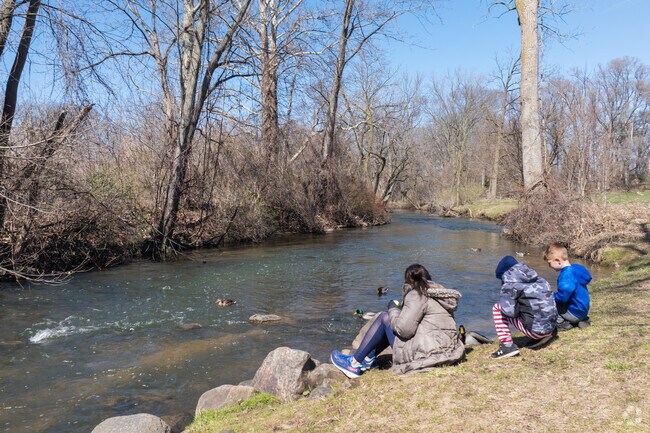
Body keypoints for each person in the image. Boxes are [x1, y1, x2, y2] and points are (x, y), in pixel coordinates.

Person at [330, 264, 465, 378]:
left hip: (427, 353)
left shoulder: (417, 293)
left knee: (385, 317)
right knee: (390, 320)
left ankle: (354, 363)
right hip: (447, 349)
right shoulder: (441, 294)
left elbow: (404, 330)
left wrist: (393, 308)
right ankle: (368, 358)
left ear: (408, 281)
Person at [491, 255, 557, 359]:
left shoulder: (510, 285)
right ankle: (544, 335)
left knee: (497, 308)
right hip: (551, 327)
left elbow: (509, 312)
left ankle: (507, 346)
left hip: (536, 331)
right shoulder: (539, 279)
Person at [544, 243, 592, 330]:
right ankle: (582, 319)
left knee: (550, 302)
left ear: (558, 260)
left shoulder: (566, 276)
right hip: (583, 309)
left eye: (549, 263)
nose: (549, 266)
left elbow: (563, 296)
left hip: (574, 313)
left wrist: (552, 296)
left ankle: (561, 323)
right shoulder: (577, 268)